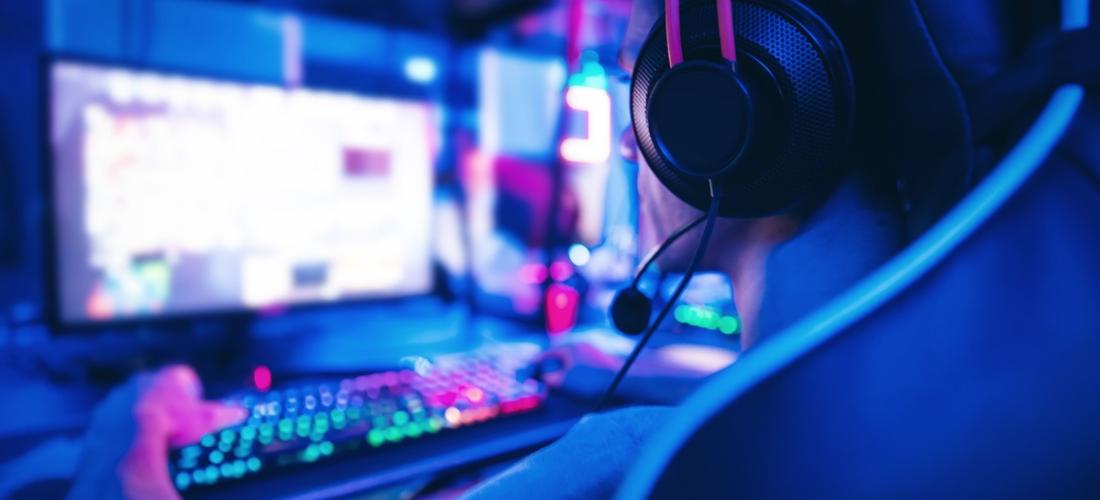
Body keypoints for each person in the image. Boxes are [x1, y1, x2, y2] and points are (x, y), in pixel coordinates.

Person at [68, 0, 943, 496]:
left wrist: (122, 450)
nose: (630, 147)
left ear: (713, 127)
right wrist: (664, 373)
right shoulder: (938, 402)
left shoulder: (630, 462)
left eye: (641, 89)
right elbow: (787, 387)